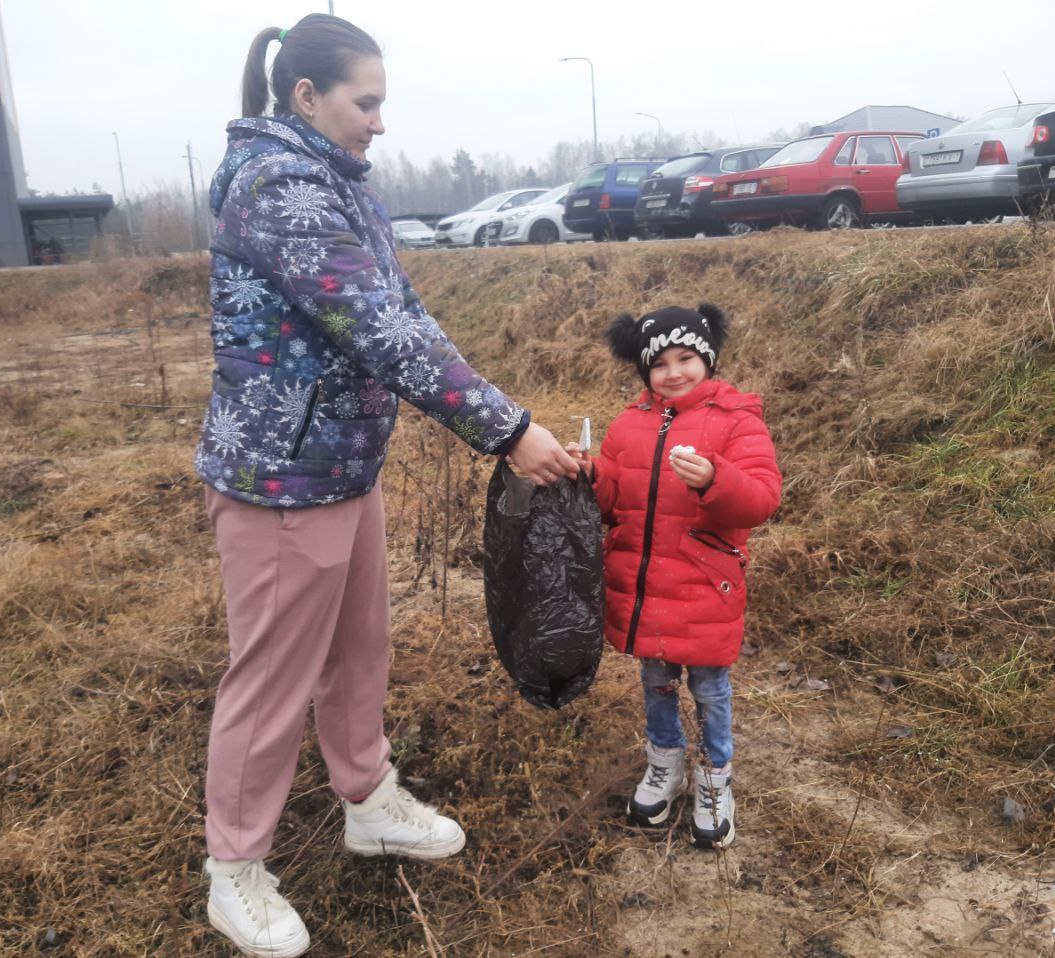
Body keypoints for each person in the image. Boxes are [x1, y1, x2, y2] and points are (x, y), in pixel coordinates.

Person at [194, 14, 578, 957]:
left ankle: (367, 799)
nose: (378, 122)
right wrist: (508, 429)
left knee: (359, 651)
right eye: (366, 103)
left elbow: (407, 311)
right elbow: (376, 327)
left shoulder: (339, 184)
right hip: (281, 480)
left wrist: (502, 409)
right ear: (307, 98)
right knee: (273, 681)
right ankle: (234, 867)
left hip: (340, 467)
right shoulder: (280, 186)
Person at [566, 304, 781, 849]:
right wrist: (592, 476)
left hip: (705, 586)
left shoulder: (738, 420)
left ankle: (714, 778)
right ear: (644, 372)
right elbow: (615, 502)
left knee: (709, 689)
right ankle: (664, 764)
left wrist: (715, 479)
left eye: (686, 357)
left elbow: (760, 499)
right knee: (656, 683)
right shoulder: (627, 423)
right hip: (645, 588)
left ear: (707, 358)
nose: (674, 372)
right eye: (658, 363)